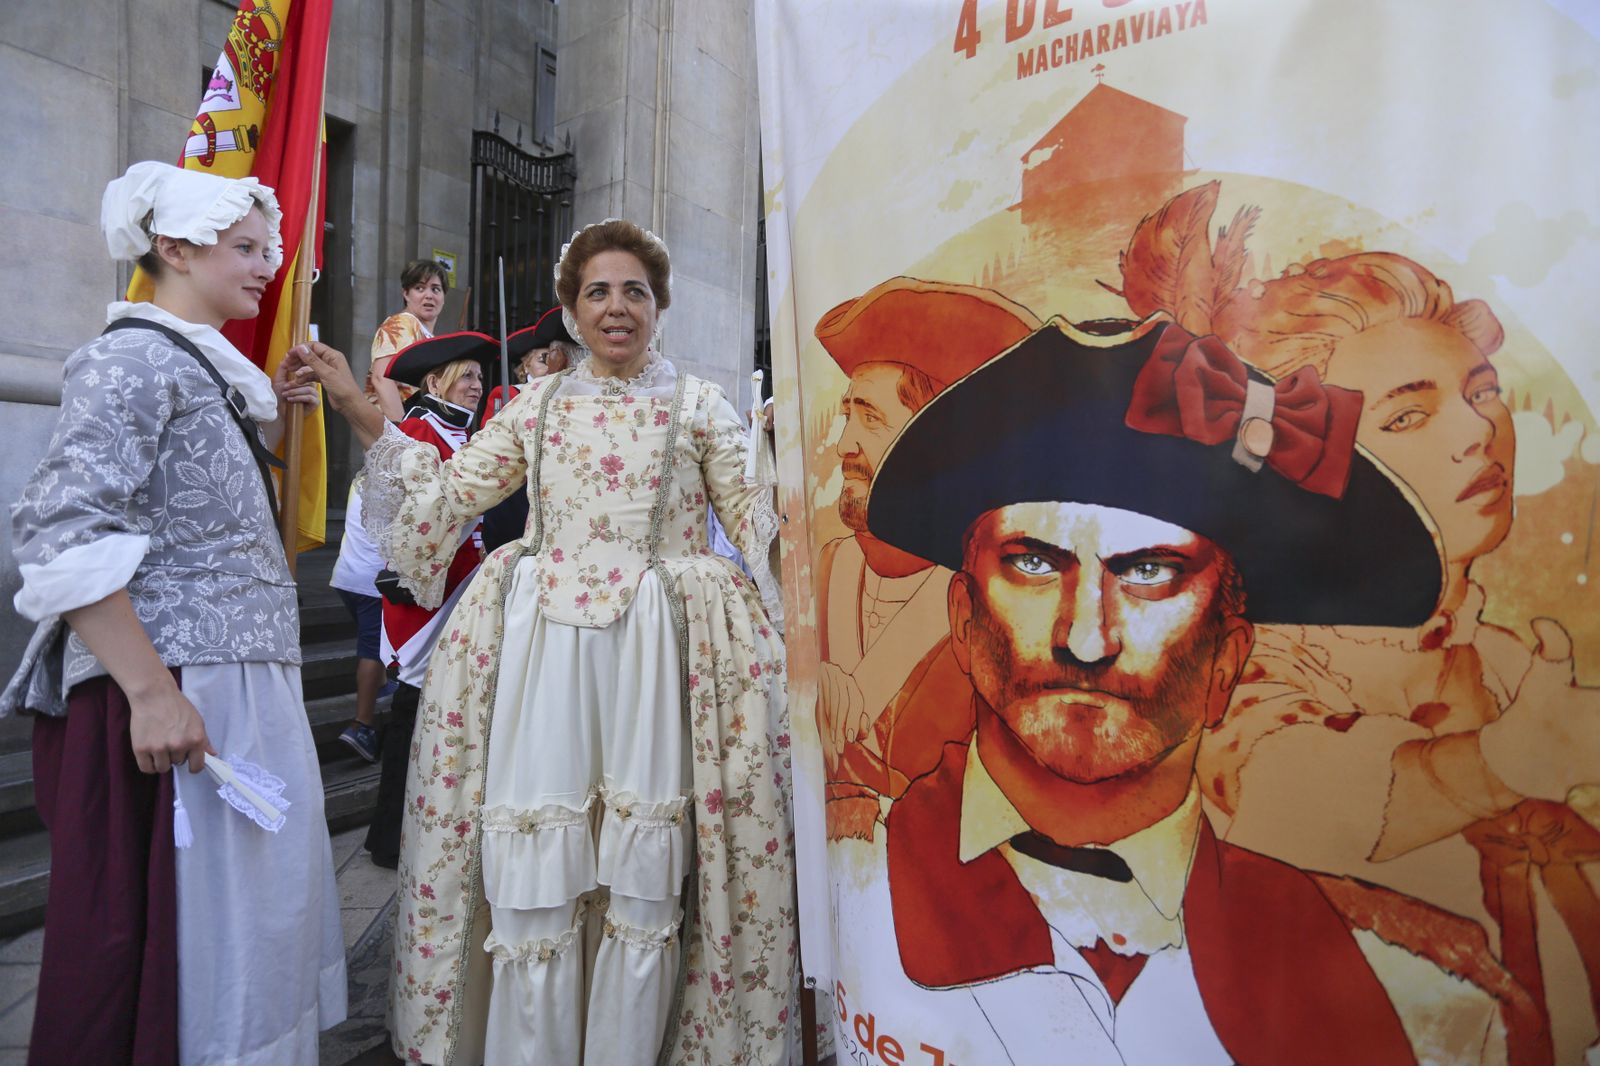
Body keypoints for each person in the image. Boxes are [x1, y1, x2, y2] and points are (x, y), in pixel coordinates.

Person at [829, 316, 1537, 1064]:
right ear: (965, 622)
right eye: (1036, 565)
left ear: (1228, 661)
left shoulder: (1417, 984)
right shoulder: (850, 876)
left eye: (1148, 573)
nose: (1086, 637)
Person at [289, 218, 796, 1065]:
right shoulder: (540, 405)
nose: (617, 307)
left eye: (635, 290)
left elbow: (760, 525)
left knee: (646, 872)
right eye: (597, 291)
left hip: (658, 666)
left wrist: (801, 454)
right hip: (543, 663)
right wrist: (353, 401)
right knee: (543, 861)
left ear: (658, 304)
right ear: (570, 309)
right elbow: (447, 492)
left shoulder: (700, 406)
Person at [1115, 183, 1600, 1062]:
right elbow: (1285, 792)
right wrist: (1502, 763)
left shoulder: (1502, 662)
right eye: (1410, 414)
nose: (1477, 433)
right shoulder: (1242, 663)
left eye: (1481, 392)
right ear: (1297, 476)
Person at [1, 160, 346, 1064]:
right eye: (246, 248)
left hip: (234, 679)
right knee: (189, 938)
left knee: (251, 926)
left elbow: (180, 503)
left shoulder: (191, 367)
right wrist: (151, 692)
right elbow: (59, 525)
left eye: (267, 249)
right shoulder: (126, 357)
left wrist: (268, 421)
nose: (269, 265)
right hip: (185, 688)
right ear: (171, 247)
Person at [811, 277, 1040, 841]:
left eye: (870, 418)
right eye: (847, 416)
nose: (844, 445)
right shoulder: (825, 570)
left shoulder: (1002, 608)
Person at [364, 331, 493, 869]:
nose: (475, 387)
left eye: (480, 380)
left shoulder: (467, 437)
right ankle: (389, 836)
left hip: (464, 589)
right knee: (412, 714)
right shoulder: (417, 431)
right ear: (437, 380)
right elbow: (411, 520)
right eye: (467, 376)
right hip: (426, 600)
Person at [331, 481, 387, 763]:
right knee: (372, 649)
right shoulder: (393, 478)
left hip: (346, 576)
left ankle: (384, 682)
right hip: (371, 581)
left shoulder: (361, 478)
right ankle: (361, 725)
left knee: (373, 640)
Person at [369, 258, 449, 421]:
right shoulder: (402, 323)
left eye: (436, 289)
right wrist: (403, 433)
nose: (429, 295)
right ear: (406, 293)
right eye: (419, 288)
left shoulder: (426, 334)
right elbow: (381, 378)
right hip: (396, 432)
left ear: (443, 296)